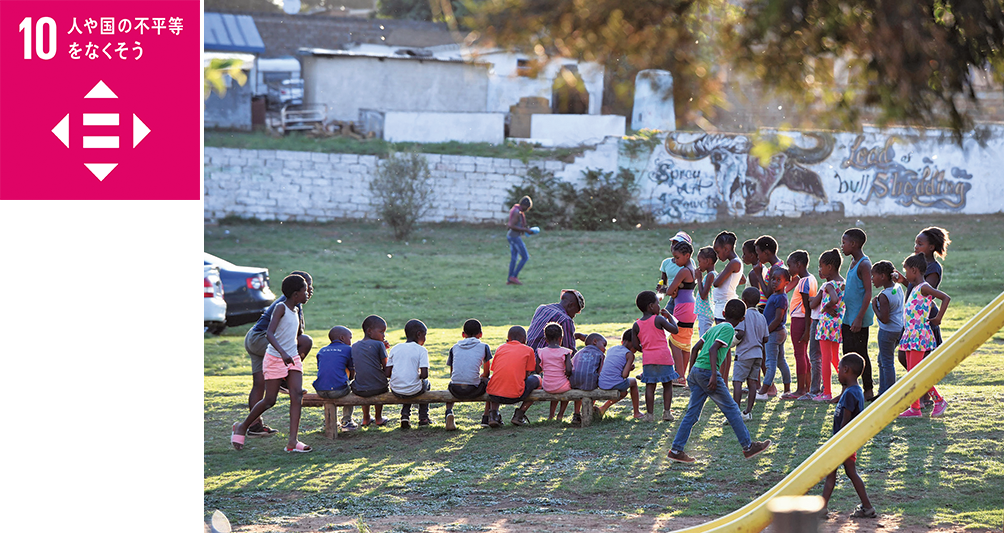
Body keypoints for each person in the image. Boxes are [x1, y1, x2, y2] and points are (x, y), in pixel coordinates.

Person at [667, 299, 773, 463]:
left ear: (723, 314)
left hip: (697, 372)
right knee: (732, 409)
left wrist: (690, 372)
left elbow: (695, 349)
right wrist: (714, 375)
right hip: (707, 373)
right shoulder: (729, 329)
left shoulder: (714, 328)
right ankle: (748, 447)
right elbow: (713, 349)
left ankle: (676, 449)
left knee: (692, 414)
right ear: (743, 319)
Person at [232, 274, 312, 452]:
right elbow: (269, 333)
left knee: (297, 395)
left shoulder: (296, 309)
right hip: (275, 355)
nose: (309, 293)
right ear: (295, 294)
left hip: (291, 358)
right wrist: (283, 353)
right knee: (270, 400)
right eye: (306, 290)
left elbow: (293, 335)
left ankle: (292, 441)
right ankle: (243, 426)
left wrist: (290, 354)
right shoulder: (281, 307)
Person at [894, 226, 951, 406]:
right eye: (915, 243)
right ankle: (920, 396)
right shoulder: (916, 268)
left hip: (923, 319)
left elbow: (926, 293)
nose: (916, 246)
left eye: (920, 243)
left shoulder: (932, 268)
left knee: (919, 360)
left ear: (932, 246)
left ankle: (925, 396)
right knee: (906, 357)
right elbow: (915, 290)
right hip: (913, 319)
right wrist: (904, 280)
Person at [820, 353, 877, 519]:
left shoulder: (851, 394)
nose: (837, 373)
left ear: (846, 369)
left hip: (843, 443)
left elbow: (846, 423)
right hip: (848, 442)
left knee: (833, 473)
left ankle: (822, 509)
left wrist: (836, 443)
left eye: (838, 369)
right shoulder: (855, 391)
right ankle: (867, 507)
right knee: (850, 472)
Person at [632, 290, 680, 422]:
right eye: (657, 304)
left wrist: (647, 350)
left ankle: (650, 415)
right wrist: (669, 316)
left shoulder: (636, 325)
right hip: (664, 357)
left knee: (650, 386)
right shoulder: (658, 319)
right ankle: (667, 413)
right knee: (667, 385)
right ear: (651, 306)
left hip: (649, 359)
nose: (659, 306)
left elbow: (636, 345)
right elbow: (675, 330)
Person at [841, 228, 875, 400]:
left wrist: (859, 318)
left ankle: (868, 391)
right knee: (847, 352)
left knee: (861, 354)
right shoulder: (853, 262)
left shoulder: (864, 264)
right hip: (848, 316)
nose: (842, 246)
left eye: (844, 242)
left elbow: (868, 293)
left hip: (858, 318)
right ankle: (846, 390)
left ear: (853, 244)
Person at [486, 326, 540, 427]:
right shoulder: (528, 350)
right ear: (524, 340)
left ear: (508, 339)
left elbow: (495, 370)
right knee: (538, 379)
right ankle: (519, 414)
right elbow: (527, 374)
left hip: (493, 394)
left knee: (497, 379)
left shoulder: (500, 348)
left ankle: (494, 414)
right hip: (515, 395)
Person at [445, 319, 493, 430]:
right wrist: (477, 378)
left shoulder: (454, 348)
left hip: (455, 389)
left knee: (451, 382)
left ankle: (449, 412)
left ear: (463, 334)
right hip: (473, 389)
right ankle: (486, 417)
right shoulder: (484, 347)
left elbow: (452, 373)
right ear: (480, 334)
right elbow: (486, 373)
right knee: (490, 383)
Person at [712, 231, 745, 382]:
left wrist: (716, 273)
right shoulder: (734, 264)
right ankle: (722, 379)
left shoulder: (734, 263)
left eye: (718, 251)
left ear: (727, 248)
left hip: (725, 305)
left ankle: (723, 380)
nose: (718, 256)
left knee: (723, 347)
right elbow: (742, 279)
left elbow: (716, 283)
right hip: (721, 305)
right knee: (723, 345)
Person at [664, 239, 698, 388]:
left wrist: (666, 290)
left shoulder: (683, 271)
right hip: (691, 306)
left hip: (682, 307)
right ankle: (681, 376)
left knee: (674, 341)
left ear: (687, 255)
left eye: (677, 258)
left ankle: (679, 375)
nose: (675, 261)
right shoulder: (692, 269)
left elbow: (670, 291)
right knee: (685, 342)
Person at [812, 249, 845, 402]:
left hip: (826, 324)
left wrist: (826, 307)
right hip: (838, 324)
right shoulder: (843, 283)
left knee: (826, 358)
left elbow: (834, 298)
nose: (819, 269)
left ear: (830, 267)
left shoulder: (829, 285)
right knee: (834, 358)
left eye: (821, 266)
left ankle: (827, 392)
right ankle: (849, 383)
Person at [755, 267, 792, 400]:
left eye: (778, 280)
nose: (774, 282)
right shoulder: (775, 295)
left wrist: (766, 332)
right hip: (776, 332)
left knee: (770, 363)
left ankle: (763, 391)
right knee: (781, 361)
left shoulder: (781, 298)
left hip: (775, 333)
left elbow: (778, 318)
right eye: (772, 279)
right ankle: (787, 389)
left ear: (786, 282)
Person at [387, 319, 431, 429]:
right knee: (426, 384)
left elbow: (387, 373)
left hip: (396, 389)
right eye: (424, 336)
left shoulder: (395, 348)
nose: (425, 339)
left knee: (408, 385)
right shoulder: (421, 350)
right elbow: (425, 375)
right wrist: (416, 376)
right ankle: (423, 417)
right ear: (419, 334)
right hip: (413, 390)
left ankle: (405, 416)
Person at [313, 326, 358, 431]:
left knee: (332, 384)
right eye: (350, 338)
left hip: (320, 389)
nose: (350, 341)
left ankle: (329, 421)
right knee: (351, 388)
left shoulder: (322, 350)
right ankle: (347, 421)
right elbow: (352, 371)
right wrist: (350, 379)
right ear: (342, 338)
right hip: (338, 390)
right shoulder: (348, 349)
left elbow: (324, 370)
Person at [733, 287, 768, 420]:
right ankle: (748, 411)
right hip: (758, 354)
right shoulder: (761, 317)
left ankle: (735, 411)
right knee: (752, 382)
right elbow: (766, 338)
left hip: (743, 354)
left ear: (744, 301)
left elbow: (740, 333)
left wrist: (732, 342)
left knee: (737, 381)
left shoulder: (743, 316)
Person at [871, 261, 904, 398]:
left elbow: (884, 318)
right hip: (899, 329)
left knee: (887, 362)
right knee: (882, 359)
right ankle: (882, 392)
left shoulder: (883, 295)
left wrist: (874, 306)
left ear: (883, 276)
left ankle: (889, 395)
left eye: (874, 276)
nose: (872, 279)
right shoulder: (897, 287)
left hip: (887, 331)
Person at [786, 250, 816, 400]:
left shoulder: (803, 282)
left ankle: (800, 390)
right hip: (805, 320)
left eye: (790, 265)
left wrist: (806, 330)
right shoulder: (811, 279)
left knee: (799, 355)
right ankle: (806, 387)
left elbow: (807, 306)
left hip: (800, 320)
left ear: (799, 265)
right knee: (803, 354)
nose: (789, 269)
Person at [352, 314, 391, 427]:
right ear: (369, 331)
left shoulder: (355, 345)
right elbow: (386, 367)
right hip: (379, 388)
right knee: (378, 381)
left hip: (359, 388)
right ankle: (378, 418)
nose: (383, 335)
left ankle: (366, 418)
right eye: (381, 332)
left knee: (365, 382)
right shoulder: (379, 344)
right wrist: (384, 350)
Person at [597, 329, 644, 419]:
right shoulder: (629, 354)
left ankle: (603, 408)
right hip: (614, 383)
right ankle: (636, 412)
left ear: (622, 341)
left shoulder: (612, 349)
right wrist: (629, 368)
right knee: (633, 382)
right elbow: (624, 375)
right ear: (634, 343)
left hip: (602, 382)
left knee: (623, 393)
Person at [537, 322, 574, 421]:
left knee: (555, 388)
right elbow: (569, 370)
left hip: (547, 386)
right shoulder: (565, 352)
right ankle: (560, 414)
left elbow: (537, 369)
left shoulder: (541, 352)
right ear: (561, 338)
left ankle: (551, 415)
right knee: (567, 388)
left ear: (546, 339)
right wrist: (567, 374)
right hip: (562, 386)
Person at [569, 332, 607, 426]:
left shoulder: (578, 352)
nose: (605, 349)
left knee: (579, 389)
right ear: (595, 341)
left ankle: (576, 413)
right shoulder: (600, 354)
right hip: (590, 384)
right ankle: (589, 409)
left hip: (574, 382)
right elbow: (600, 372)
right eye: (604, 345)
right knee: (594, 385)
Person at [658, 231, 696, 316]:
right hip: (676, 299)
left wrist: (667, 290)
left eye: (678, 244)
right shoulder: (667, 263)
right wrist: (664, 289)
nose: (674, 246)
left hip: (683, 302)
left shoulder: (685, 270)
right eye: (673, 244)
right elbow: (664, 282)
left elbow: (670, 290)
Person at [753, 235, 786, 312]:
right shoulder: (780, 264)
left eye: (758, 254)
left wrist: (758, 274)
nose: (757, 257)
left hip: (769, 308)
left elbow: (768, 294)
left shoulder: (775, 269)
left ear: (766, 253)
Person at [506, 195, 533, 285]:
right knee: (525, 257)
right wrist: (525, 230)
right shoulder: (517, 212)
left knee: (514, 258)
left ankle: (510, 279)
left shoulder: (516, 209)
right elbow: (511, 225)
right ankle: (514, 276)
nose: (527, 210)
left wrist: (526, 229)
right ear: (524, 205)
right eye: (527, 208)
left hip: (511, 236)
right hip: (514, 237)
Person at [695, 246, 718, 337]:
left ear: (708, 261)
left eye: (700, 261)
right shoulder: (711, 275)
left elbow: (703, 295)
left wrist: (699, 279)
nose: (699, 264)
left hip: (705, 314)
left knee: (704, 340)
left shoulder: (710, 275)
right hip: (705, 313)